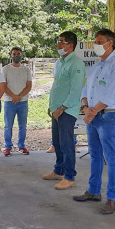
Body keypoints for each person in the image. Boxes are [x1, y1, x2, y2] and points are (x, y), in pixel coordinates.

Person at [73, 29, 115, 214]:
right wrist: (85, 107)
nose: (96, 45)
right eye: (95, 41)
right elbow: (85, 90)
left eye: (99, 41)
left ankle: (112, 198)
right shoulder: (96, 66)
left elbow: (111, 93)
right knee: (95, 155)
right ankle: (93, 191)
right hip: (93, 115)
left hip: (107, 116)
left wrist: (92, 111)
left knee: (111, 157)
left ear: (110, 44)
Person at [42, 31, 85, 190]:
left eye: (62, 42)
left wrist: (61, 108)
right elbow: (58, 86)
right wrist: (52, 106)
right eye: (58, 41)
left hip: (67, 110)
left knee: (67, 144)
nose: (58, 45)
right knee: (58, 143)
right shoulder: (60, 62)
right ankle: (59, 170)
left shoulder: (76, 64)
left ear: (71, 45)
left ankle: (69, 176)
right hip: (56, 109)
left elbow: (75, 91)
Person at [2, 47, 32, 156]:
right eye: (14, 54)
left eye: (18, 53)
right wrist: (13, 96)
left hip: (23, 102)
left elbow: (29, 86)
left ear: (21, 55)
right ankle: (8, 146)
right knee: (8, 126)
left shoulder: (26, 69)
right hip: (9, 102)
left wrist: (19, 96)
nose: (16, 55)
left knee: (22, 126)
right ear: (10, 55)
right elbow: (3, 86)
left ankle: (21, 145)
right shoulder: (5, 69)